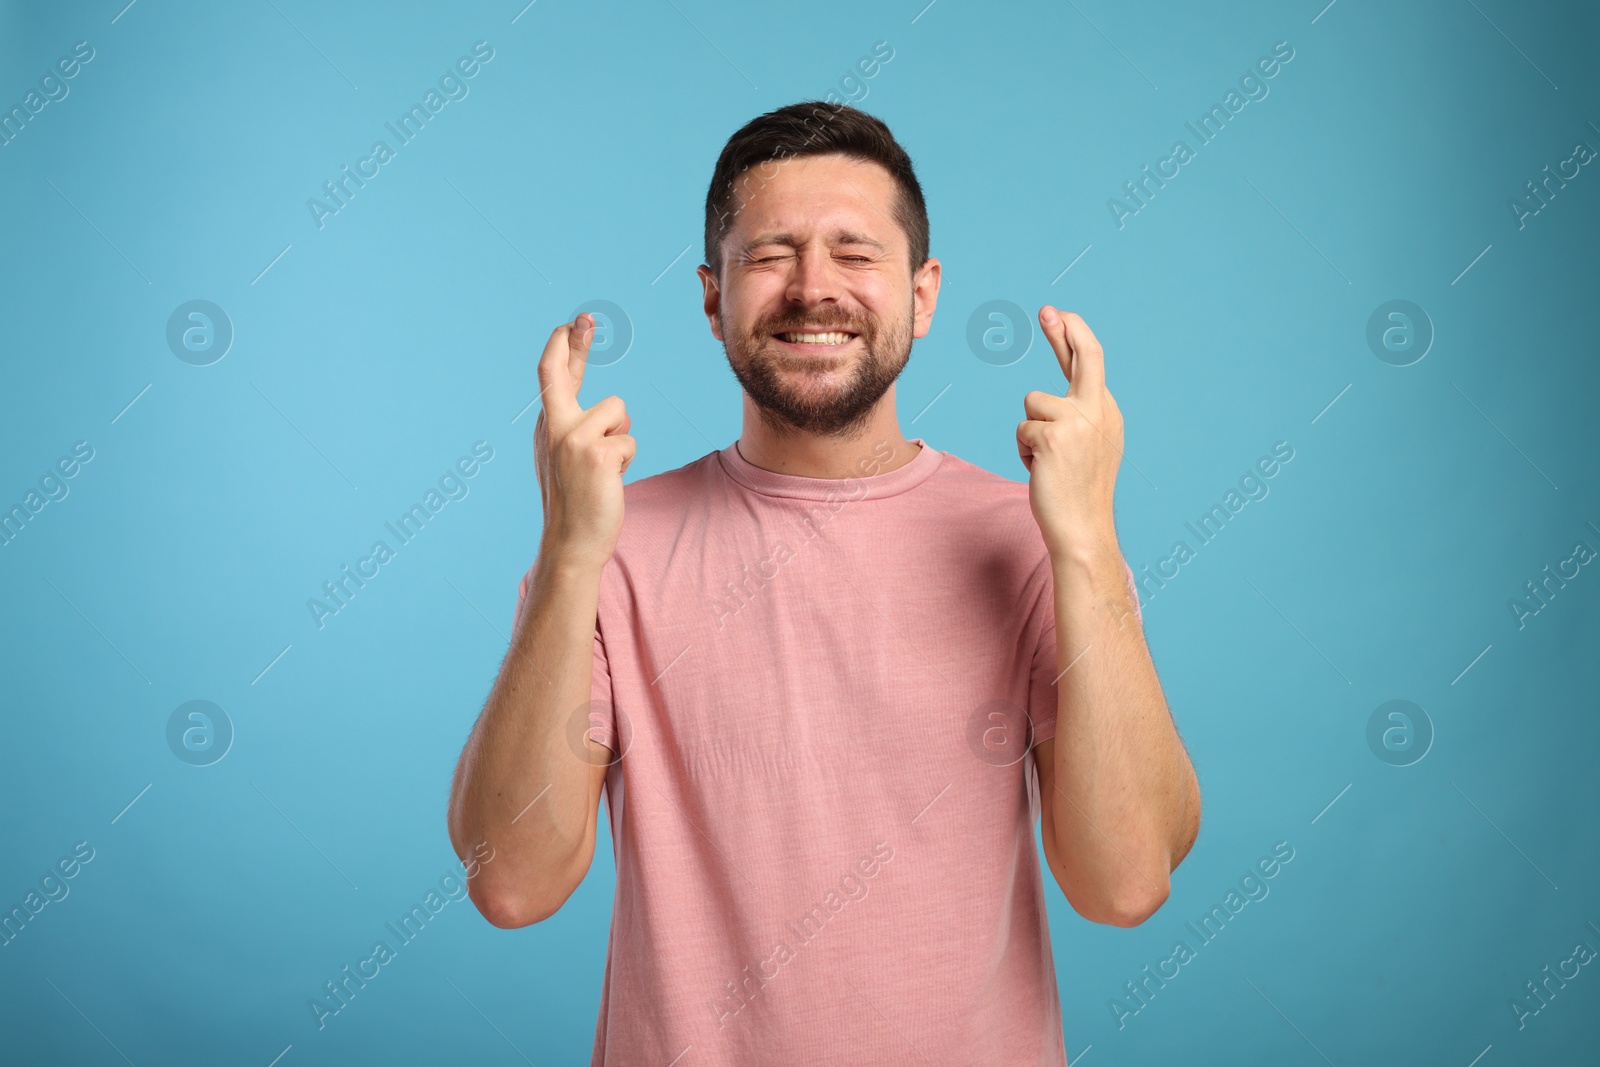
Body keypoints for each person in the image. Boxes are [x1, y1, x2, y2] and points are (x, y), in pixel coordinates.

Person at [447, 100, 1200, 1065]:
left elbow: (1127, 882)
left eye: (856, 253)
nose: (814, 288)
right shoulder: (610, 550)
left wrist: (1089, 540)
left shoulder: (1035, 540)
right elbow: (510, 882)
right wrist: (565, 553)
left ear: (923, 294)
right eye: (771, 255)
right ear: (713, 299)